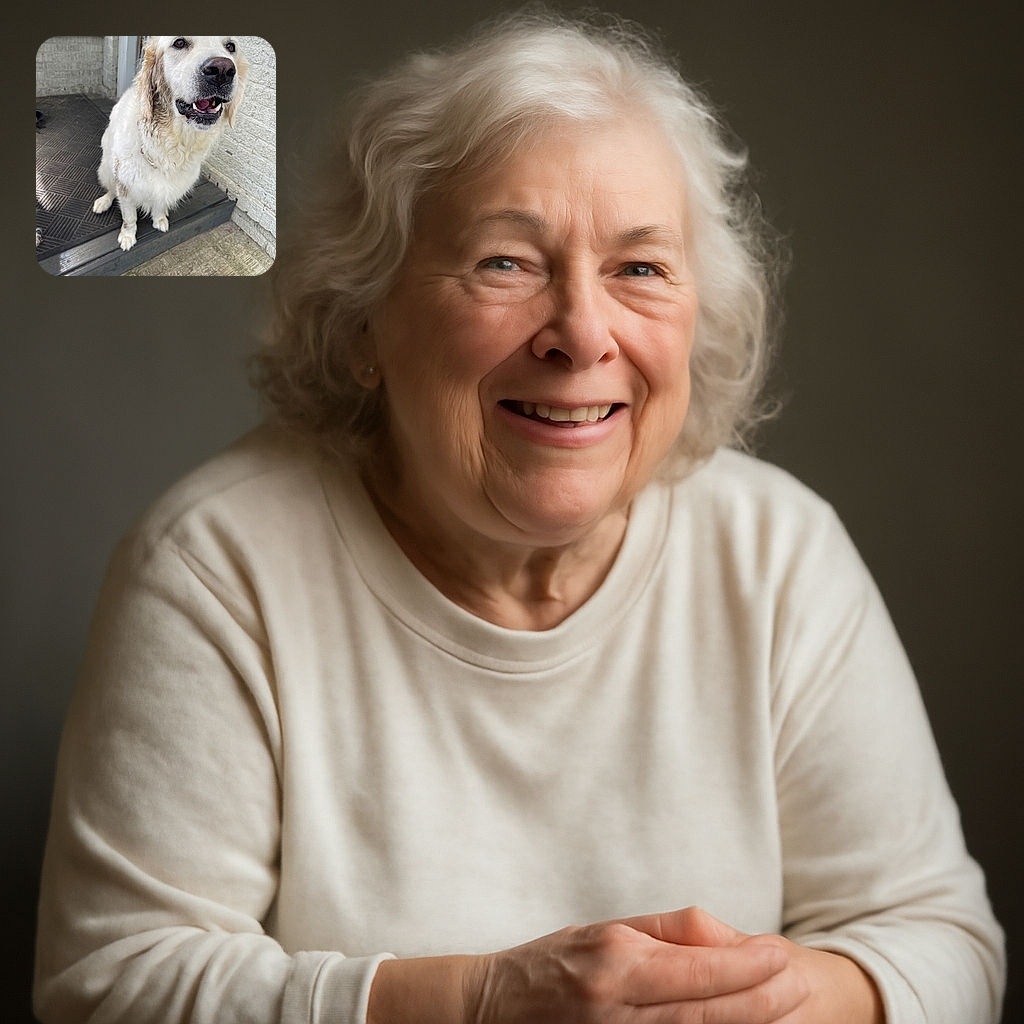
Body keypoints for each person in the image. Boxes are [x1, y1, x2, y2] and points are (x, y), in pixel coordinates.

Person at [34, 11, 1004, 1024]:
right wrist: (481, 1000)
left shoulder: (777, 553)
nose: (583, 333)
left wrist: (771, 1002)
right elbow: (108, 984)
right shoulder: (215, 567)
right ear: (365, 321)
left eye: (639, 268)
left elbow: (941, 939)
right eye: (506, 262)